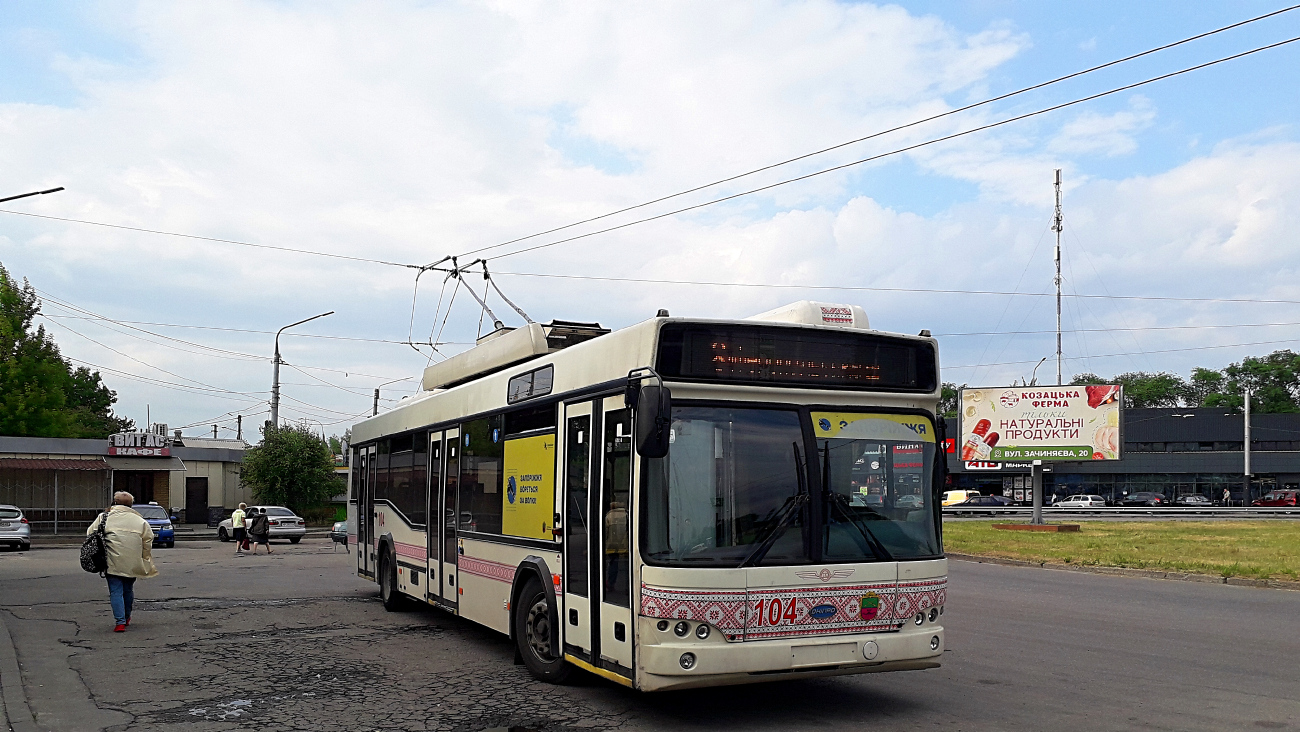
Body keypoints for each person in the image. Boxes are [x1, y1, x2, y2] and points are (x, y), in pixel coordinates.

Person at [86, 491, 158, 632]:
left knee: (115, 591)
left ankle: (120, 622)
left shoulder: (104, 517)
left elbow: (90, 533)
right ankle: (127, 616)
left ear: (115, 503)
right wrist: (144, 557)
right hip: (132, 562)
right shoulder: (140, 521)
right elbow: (148, 541)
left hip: (110, 561)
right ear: (131, 505)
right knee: (128, 589)